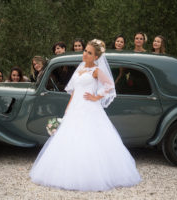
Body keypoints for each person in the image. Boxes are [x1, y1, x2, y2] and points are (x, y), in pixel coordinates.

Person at [30, 39, 141, 191]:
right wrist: (67, 110)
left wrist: (97, 96)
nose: (85, 54)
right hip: (75, 107)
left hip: (89, 108)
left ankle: (91, 175)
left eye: (89, 53)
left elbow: (109, 85)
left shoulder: (96, 70)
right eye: (85, 51)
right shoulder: (80, 68)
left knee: (90, 138)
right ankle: (66, 172)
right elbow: (74, 91)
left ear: (96, 57)